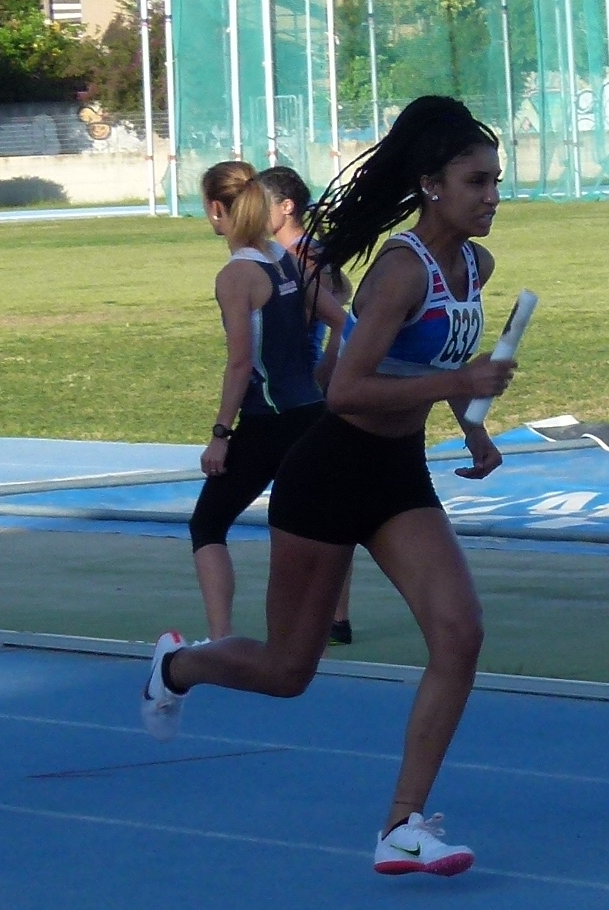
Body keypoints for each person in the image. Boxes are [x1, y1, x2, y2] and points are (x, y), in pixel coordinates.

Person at [142, 96, 516, 877]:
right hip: (329, 471)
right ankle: (177, 667)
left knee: (460, 633)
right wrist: (462, 382)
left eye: (495, 180)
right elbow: (344, 391)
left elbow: (434, 363)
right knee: (288, 673)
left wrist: (473, 426)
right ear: (432, 185)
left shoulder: (474, 267)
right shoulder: (400, 270)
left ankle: (402, 825)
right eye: (477, 181)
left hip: (398, 475)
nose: (492, 196)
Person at [188, 161, 347, 647]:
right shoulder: (286, 258)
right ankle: (329, 621)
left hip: (268, 420)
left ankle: (221, 638)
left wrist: (220, 434)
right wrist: (327, 372)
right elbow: (340, 319)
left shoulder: (236, 275)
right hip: (312, 414)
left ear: (217, 209)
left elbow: (241, 363)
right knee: (316, 524)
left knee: (208, 524)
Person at [256, 164, 355, 647]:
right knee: (324, 499)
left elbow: (338, 316)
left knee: (310, 504)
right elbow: (343, 297)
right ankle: (332, 615)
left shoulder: (298, 257)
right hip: (305, 386)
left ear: (286, 206)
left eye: (260, 204)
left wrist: (328, 370)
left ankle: (322, 616)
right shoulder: (306, 252)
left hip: (304, 389)